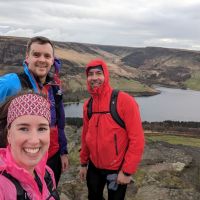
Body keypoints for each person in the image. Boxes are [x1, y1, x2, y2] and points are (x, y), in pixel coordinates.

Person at [0, 36, 69, 186]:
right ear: (27, 57)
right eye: (36, 54)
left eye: (47, 56)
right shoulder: (13, 82)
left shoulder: (54, 86)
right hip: (19, 159)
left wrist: (63, 152)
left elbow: (59, 123)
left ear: (52, 60)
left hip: (51, 157)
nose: (42, 60)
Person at [79, 59, 145, 200]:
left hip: (117, 169)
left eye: (99, 73)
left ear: (106, 75)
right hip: (94, 168)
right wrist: (83, 163)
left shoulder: (124, 101)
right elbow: (86, 135)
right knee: (93, 197)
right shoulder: (88, 105)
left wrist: (127, 172)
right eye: (90, 74)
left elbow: (137, 139)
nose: (94, 78)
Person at [0, 92, 60, 199]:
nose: (34, 140)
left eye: (42, 129)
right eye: (23, 128)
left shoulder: (48, 174)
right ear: (9, 134)